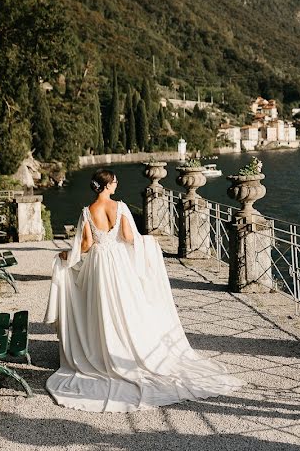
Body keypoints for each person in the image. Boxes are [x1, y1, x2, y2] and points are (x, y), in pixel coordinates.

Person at [44, 169, 244, 412]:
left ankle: (103, 349)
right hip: (118, 262)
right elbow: (129, 237)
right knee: (127, 305)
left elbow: (86, 245)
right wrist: (149, 243)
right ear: (107, 185)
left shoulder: (87, 211)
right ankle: (128, 349)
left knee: (102, 306)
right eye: (115, 181)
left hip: (98, 263)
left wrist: (66, 255)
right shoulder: (119, 207)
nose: (117, 184)